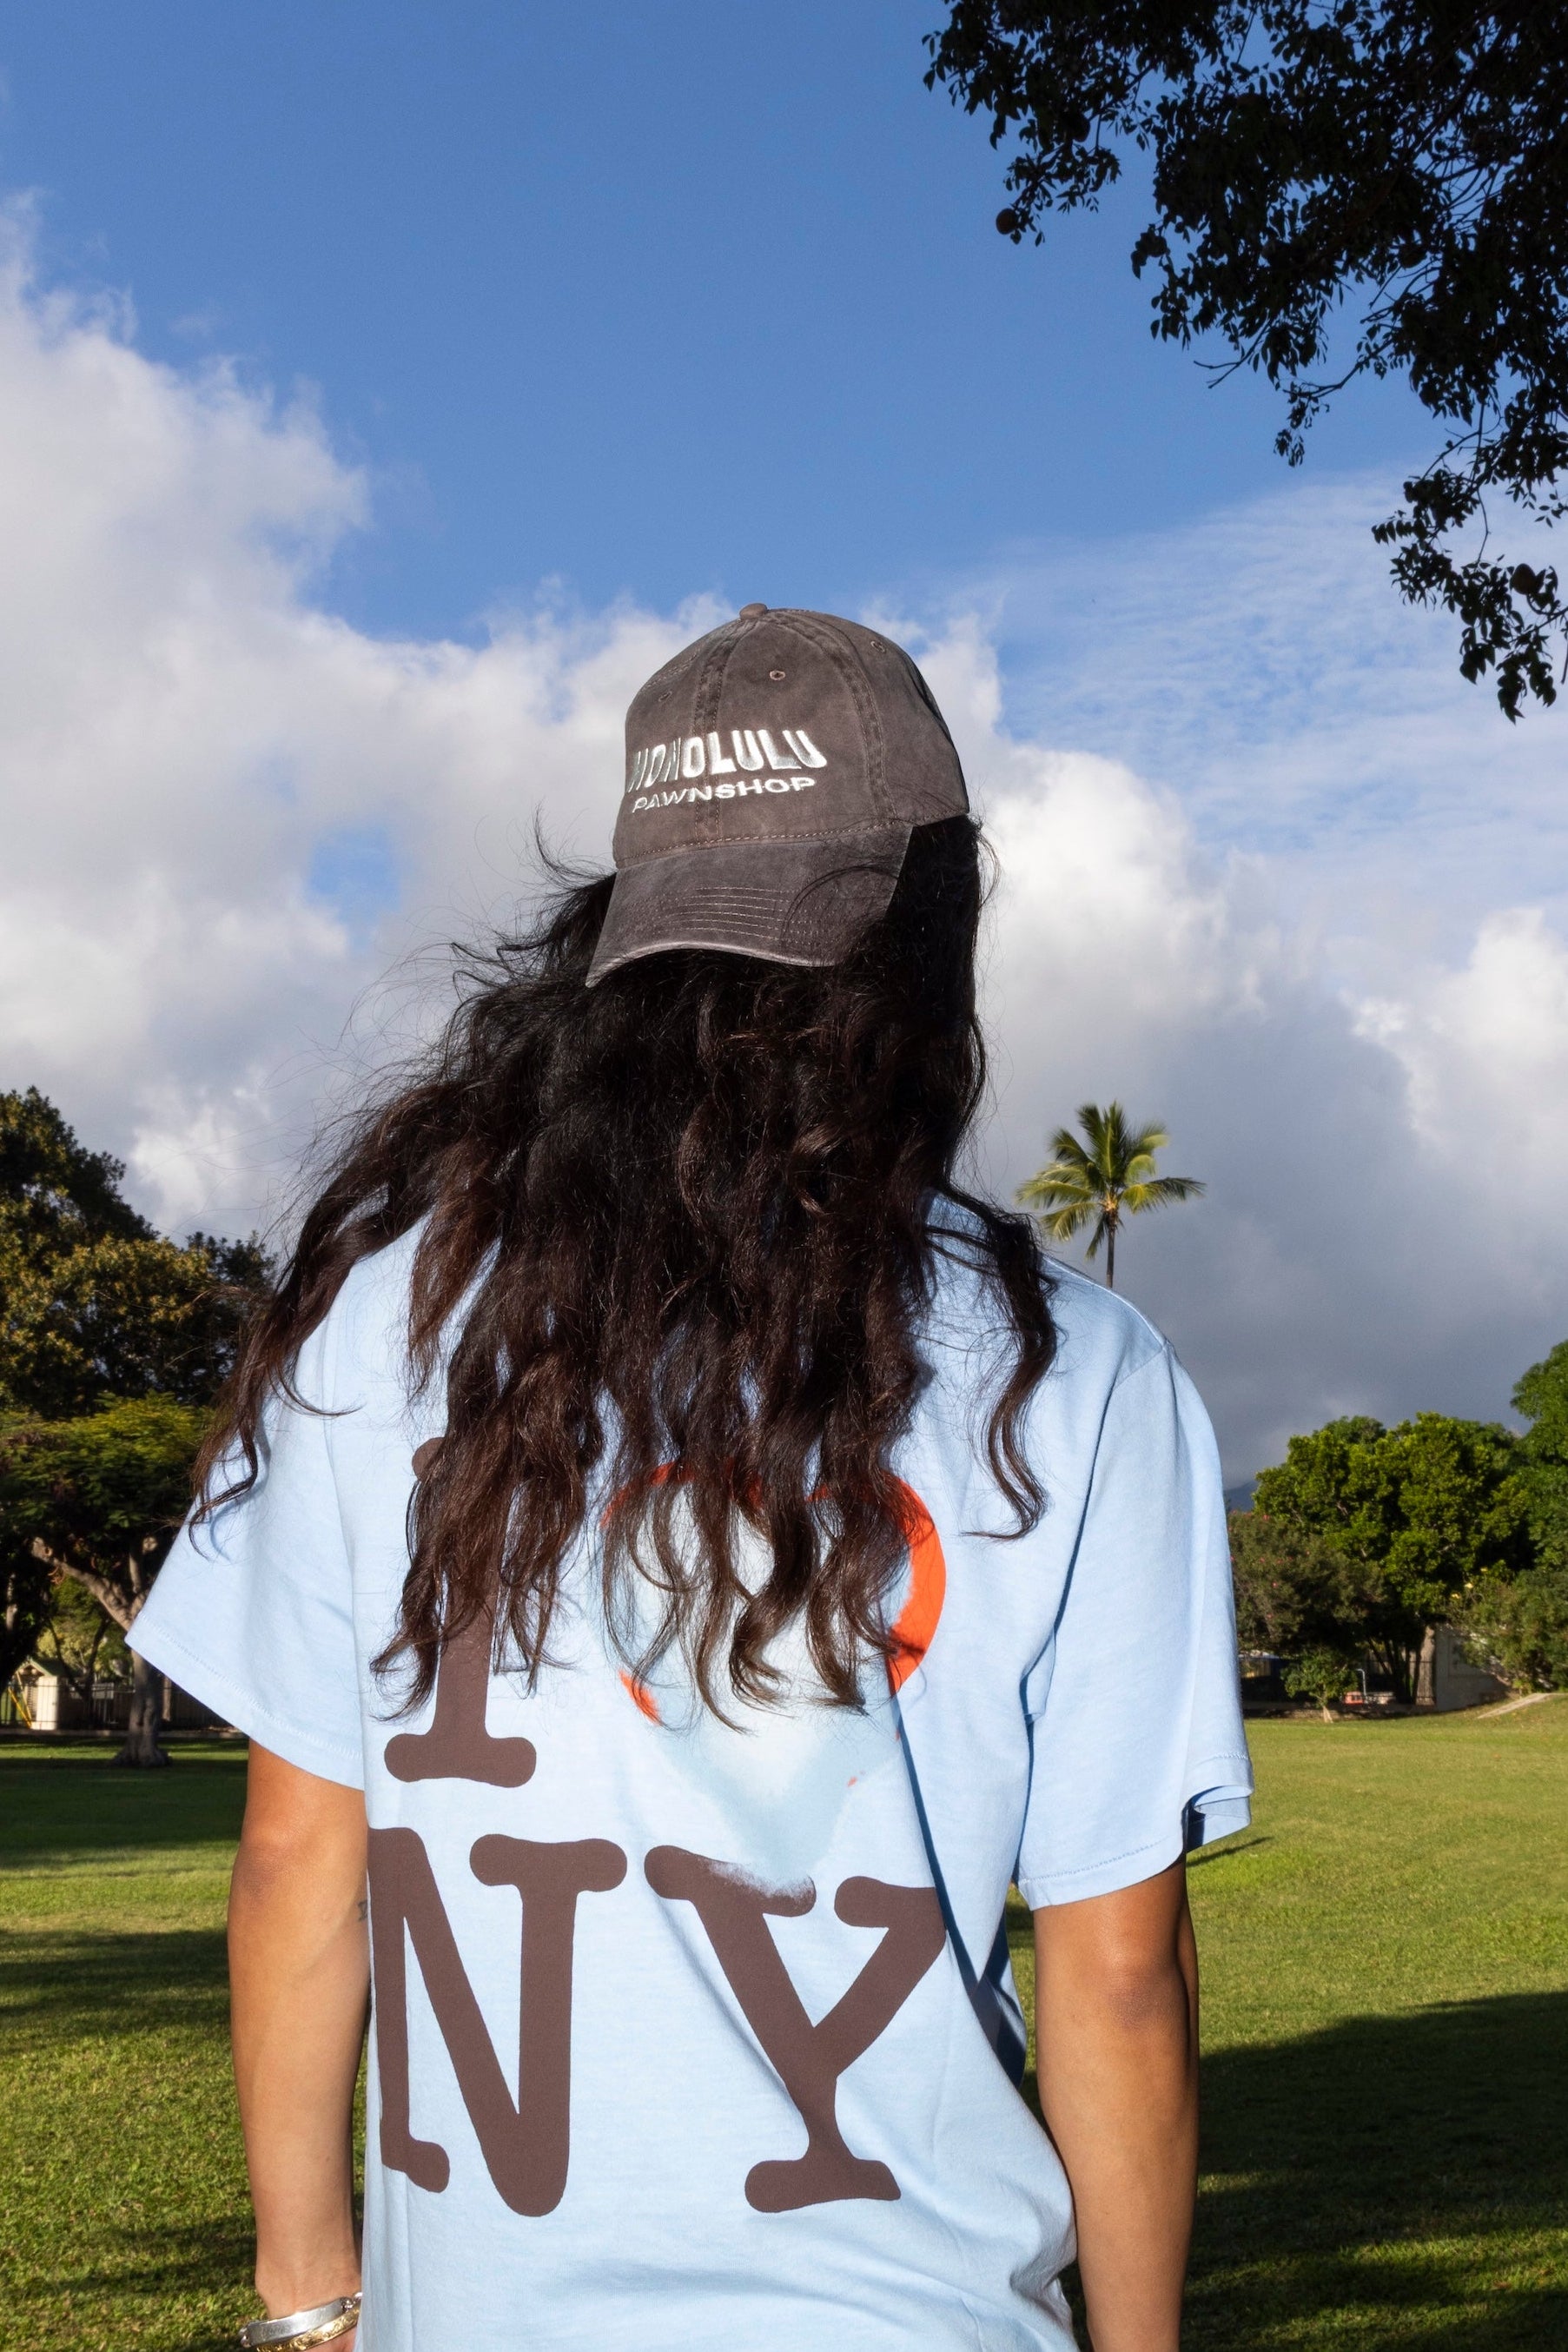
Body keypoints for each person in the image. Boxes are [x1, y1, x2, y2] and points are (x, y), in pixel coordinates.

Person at [132, 604, 1252, 2352]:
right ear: (929, 936)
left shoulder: (387, 1326)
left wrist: (306, 2295)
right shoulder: (1076, 1379)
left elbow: (298, 1860)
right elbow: (1118, 1971)